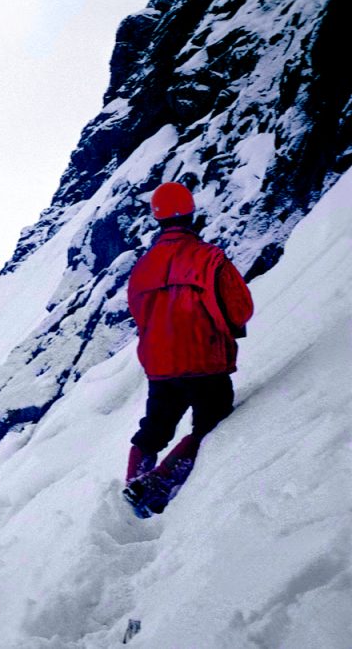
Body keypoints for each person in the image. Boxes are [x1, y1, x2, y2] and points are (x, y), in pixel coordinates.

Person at [123, 182, 254, 517]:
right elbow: (239, 308)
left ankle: (134, 482)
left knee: (154, 429)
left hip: (159, 366)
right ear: (192, 212)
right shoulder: (210, 259)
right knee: (210, 424)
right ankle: (160, 480)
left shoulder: (141, 270)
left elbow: (140, 317)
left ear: (157, 218)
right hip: (204, 360)